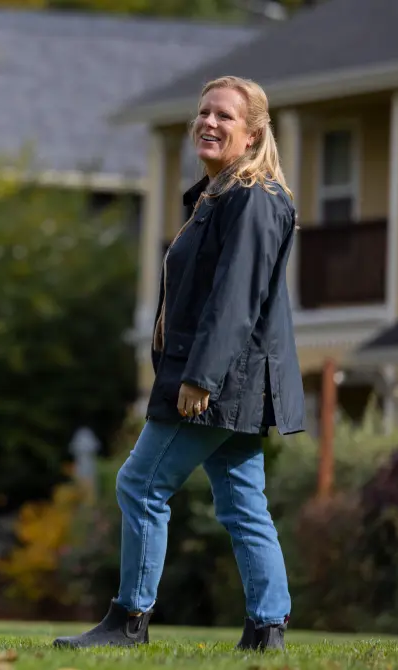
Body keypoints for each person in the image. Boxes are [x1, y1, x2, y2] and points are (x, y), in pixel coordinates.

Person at [53, 75, 304, 652]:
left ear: (254, 132)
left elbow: (236, 299)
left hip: (218, 381)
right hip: (227, 380)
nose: (209, 124)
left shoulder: (255, 200)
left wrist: (200, 377)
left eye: (225, 117)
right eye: (204, 113)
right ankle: (267, 627)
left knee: (140, 484)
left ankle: (129, 621)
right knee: (242, 502)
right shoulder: (218, 196)